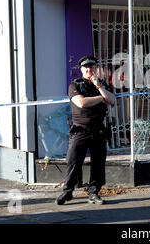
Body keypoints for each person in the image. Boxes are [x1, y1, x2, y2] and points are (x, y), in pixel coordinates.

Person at [56, 55, 115, 205]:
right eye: (86, 67)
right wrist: (101, 99)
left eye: (92, 67)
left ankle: (93, 192)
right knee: (73, 161)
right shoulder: (74, 85)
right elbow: (81, 102)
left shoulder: (101, 84)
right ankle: (67, 192)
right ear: (81, 69)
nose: (89, 69)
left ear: (96, 68)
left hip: (98, 130)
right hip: (80, 130)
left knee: (98, 163)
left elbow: (112, 100)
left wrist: (99, 87)